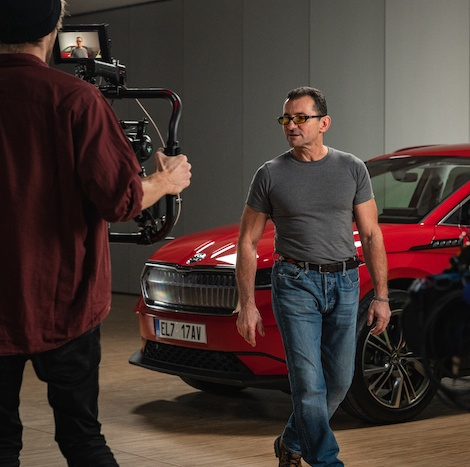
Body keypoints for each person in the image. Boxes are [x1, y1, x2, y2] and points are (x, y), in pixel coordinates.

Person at [0, 1, 192, 466]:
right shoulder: (76, 99)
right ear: (53, 30)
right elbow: (120, 201)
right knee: (83, 439)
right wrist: (165, 181)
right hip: (65, 302)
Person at [235, 86, 390, 467]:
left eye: (300, 118)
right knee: (308, 383)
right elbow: (247, 241)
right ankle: (326, 461)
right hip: (295, 283)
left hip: (345, 282)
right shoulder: (270, 174)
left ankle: (292, 440)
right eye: (286, 118)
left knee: (339, 381)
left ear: (324, 123)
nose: (291, 125)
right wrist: (247, 304)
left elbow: (371, 235)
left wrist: (382, 296)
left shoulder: (352, 168)